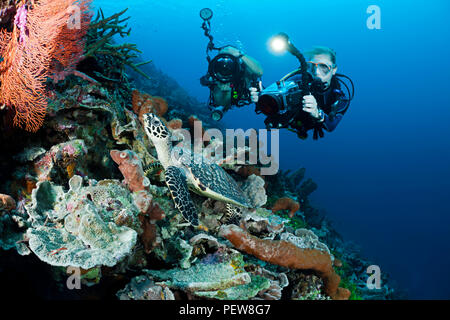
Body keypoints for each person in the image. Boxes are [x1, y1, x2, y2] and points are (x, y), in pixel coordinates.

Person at [251, 46, 351, 139]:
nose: (316, 72)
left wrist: (317, 113)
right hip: (292, 119)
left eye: (324, 67)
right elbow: (278, 93)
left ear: (334, 70)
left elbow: (331, 126)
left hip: (311, 124)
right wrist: (262, 96)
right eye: (312, 66)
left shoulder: (340, 97)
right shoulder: (299, 79)